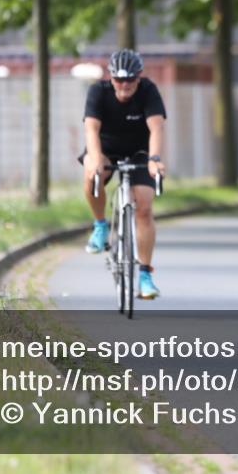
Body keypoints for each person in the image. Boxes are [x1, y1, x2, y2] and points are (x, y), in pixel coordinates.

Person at [80, 49, 167, 299]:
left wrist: (155, 159)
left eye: (130, 79)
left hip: (140, 152)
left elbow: (157, 126)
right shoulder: (98, 92)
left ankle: (145, 275)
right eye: (119, 79)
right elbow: (91, 129)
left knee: (144, 207)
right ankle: (99, 226)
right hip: (106, 148)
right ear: (111, 78)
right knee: (91, 172)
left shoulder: (148, 91)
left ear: (139, 78)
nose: (125, 84)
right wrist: (96, 159)